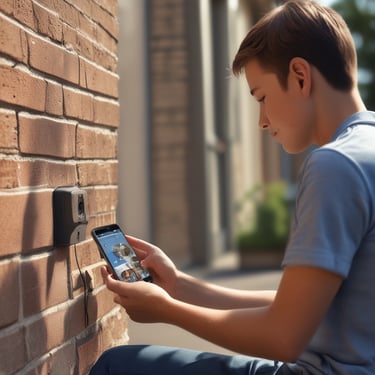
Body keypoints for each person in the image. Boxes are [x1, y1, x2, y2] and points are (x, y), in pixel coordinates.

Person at [89, 0, 375, 373]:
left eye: (261, 98)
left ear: (300, 77)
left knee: (117, 365)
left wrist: (167, 311)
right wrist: (180, 286)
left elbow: (283, 336)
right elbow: (298, 306)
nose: (261, 120)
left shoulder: (335, 165)